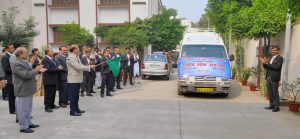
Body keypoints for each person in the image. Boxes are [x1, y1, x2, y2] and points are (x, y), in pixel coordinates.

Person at [11, 47, 47, 133]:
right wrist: (37, 70)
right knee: (22, 109)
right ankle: (23, 126)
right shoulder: (16, 63)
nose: (28, 54)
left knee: (28, 108)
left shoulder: (24, 61)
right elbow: (25, 75)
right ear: (20, 54)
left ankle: (28, 123)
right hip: (22, 89)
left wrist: (38, 69)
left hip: (28, 88)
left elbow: (30, 70)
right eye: (26, 53)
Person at [66, 45, 96, 116]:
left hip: (77, 79)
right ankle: (72, 111)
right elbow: (77, 67)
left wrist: (89, 65)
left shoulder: (76, 56)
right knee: (73, 96)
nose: (79, 50)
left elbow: (81, 65)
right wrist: (89, 67)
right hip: (73, 80)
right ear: (73, 50)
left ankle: (76, 109)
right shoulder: (70, 58)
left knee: (76, 96)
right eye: (77, 49)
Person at [260, 46, 284, 112]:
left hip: (274, 77)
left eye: (275, 50)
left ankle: (276, 107)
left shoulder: (280, 58)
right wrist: (264, 63)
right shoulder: (270, 58)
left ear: (278, 51)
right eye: (272, 50)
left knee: (275, 92)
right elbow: (267, 67)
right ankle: (271, 105)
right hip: (268, 77)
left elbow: (277, 67)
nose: (273, 51)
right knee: (270, 92)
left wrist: (267, 63)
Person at [42, 48, 63, 113]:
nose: (53, 52)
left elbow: (54, 66)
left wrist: (58, 67)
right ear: (47, 52)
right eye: (51, 51)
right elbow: (48, 69)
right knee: (48, 94)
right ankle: (47, 106)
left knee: (53, 93)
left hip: (53, 79)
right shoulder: (45, 59)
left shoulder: (51, 59)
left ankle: (52, 104)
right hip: (48, 79)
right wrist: (58, 68)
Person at [1, 43, 16, 114]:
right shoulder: (5, 57)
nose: (13, 49)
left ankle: (15, 108)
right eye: (11, 48)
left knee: (15, 95)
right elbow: (6, 69)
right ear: (7, 49)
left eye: (13, 47)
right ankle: (12, 110)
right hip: (10, 79)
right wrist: (16, 70)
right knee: (11, 96)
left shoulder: (14, 56)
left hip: (15, 78)